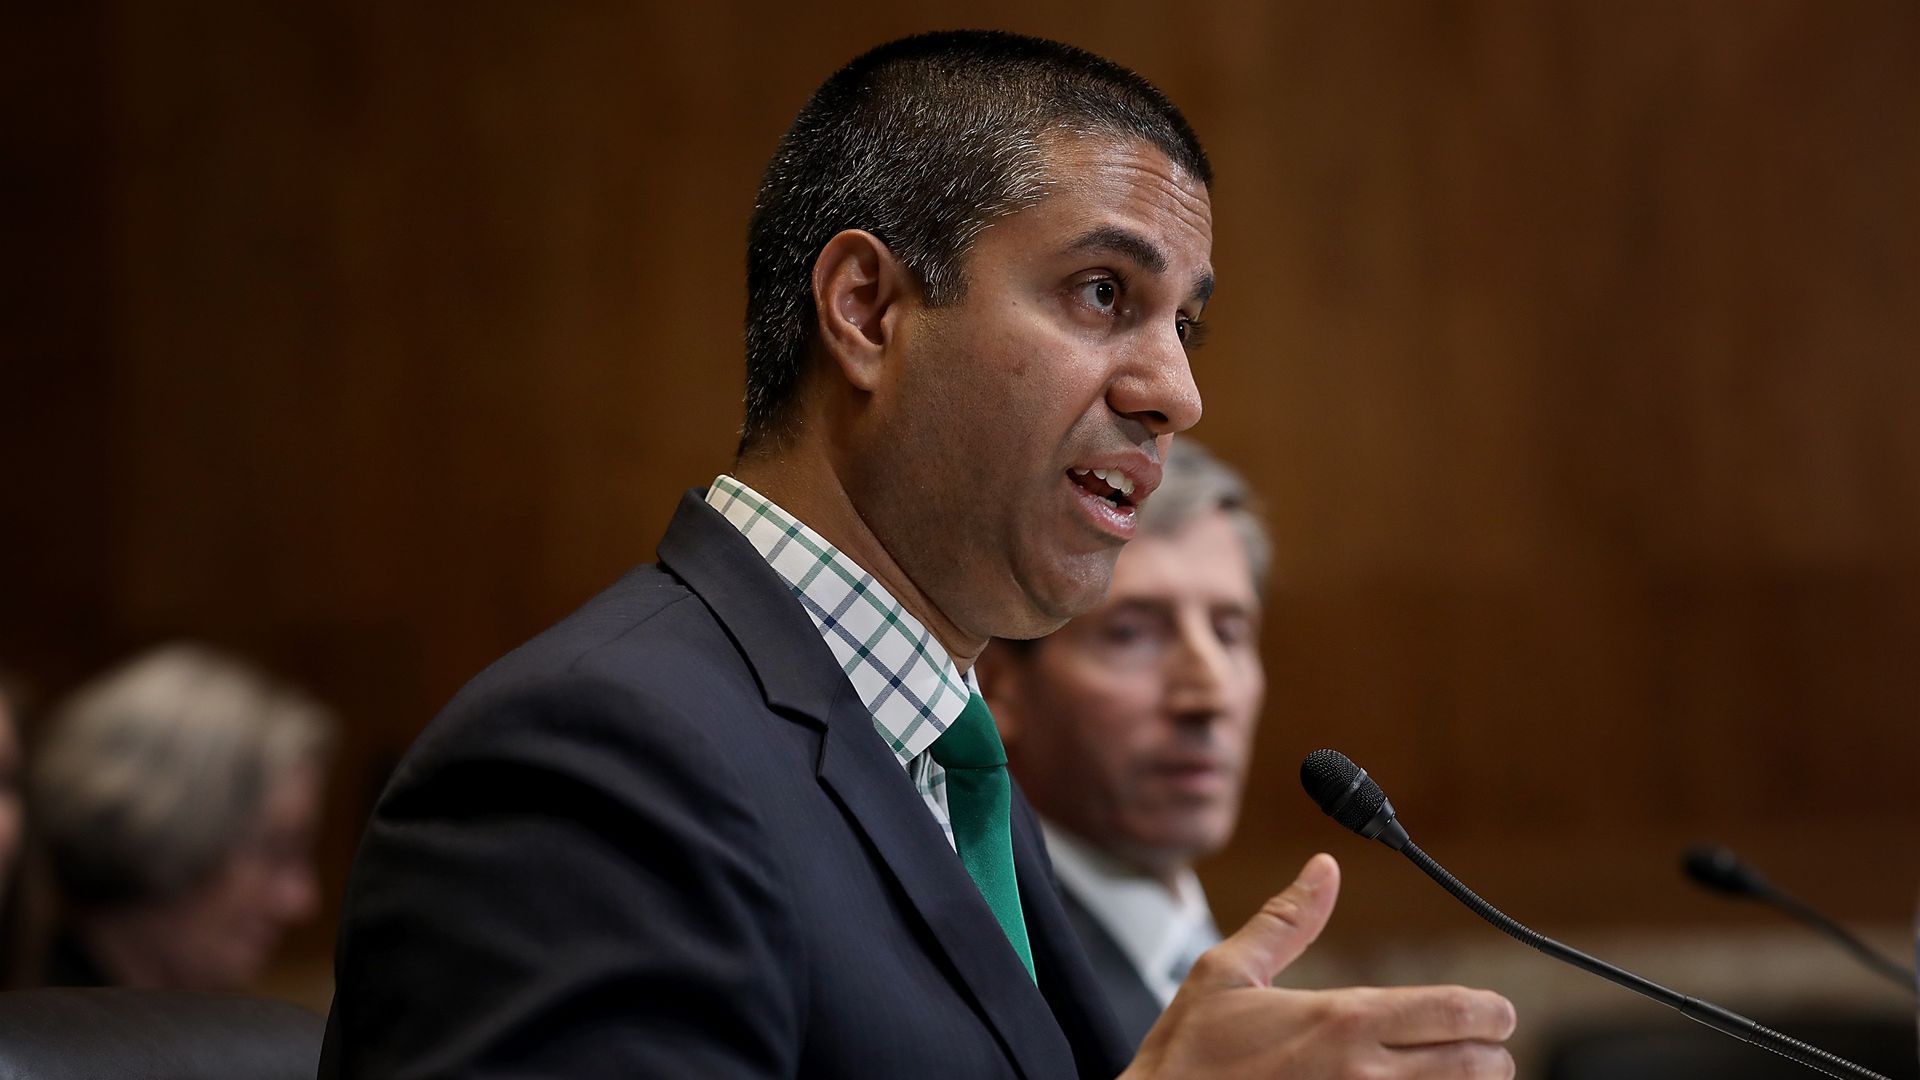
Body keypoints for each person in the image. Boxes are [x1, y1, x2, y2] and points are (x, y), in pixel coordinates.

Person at [324, 30, 1516, 1079]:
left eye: (1184, 323)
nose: (1177, 393)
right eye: (1103, 293)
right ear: (868, 310)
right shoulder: (589, 762)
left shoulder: (951, 761)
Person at [977, 438, 1268, 1049]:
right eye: (1132, 633)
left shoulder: (1232, 963)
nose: (1208, 693)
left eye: (1229, 631)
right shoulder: (987, 970)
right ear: (997, 685)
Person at [28, 642, 331, 990]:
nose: (302, 900)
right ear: (161, 836)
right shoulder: (34, 1035)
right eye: (276, 850)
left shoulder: (199, 1031)